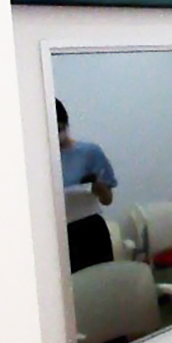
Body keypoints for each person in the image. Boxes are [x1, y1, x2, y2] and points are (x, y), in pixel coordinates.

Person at [56, 98, 118, 273]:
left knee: (101, 279)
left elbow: (107, 199)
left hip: (91, 229)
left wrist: (99, 187)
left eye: (60, 128)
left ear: (66, 125)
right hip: (59, 232)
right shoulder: (40, 160)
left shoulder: (90, 152)